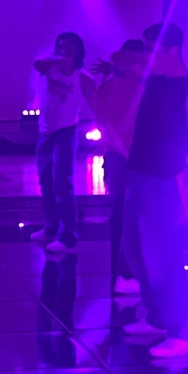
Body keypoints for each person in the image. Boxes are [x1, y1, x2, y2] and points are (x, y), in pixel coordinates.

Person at [122, 21, 188, 357]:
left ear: (171, 50)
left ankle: (183, 333)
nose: (146, 56)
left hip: (165, 183)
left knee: (164, 260)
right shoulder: (155, 83)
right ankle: (157, 318)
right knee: (135, 253)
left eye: (151, 49)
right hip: (139, 176)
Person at [32, 32, 95, 254]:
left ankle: (68, 234)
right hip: (45, 131)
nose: (64, 50)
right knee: (45, 180)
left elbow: (96, 102)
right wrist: (58, 60)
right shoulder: (49, 68)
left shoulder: (82, 77)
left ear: (78, 50)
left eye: (69, 47)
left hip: (66, 131)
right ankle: (51, 226)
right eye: (61, 46)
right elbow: (37, 63)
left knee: (62, 181)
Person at [92, 40, 146, 296]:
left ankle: (123, 272)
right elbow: (109, 128)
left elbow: (107, 126)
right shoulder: (118, 87)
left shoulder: (134, 85)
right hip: (126, 159)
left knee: (125, 215)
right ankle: (125, 272)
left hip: (128, 158)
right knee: (127, 215)